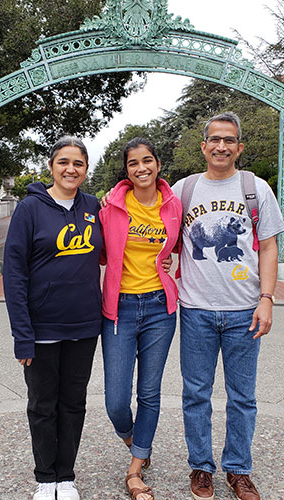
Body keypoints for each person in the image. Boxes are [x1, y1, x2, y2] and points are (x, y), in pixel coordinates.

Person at [171, 112, 284, 500]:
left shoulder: (256, 189)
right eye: (214, 139)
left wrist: (266, 299)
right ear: (203, 146)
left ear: (239, 147)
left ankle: (238, 469)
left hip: (244, 310)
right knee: (196, 394)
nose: (221, 146)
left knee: (242, 396)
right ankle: (201, 467)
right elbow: (154, 227)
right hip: (196, 309)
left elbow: (269, 247)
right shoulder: (184, 190)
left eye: (229, 140)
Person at [3, 136, 102, 500]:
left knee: (74, 403)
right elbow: (14, 274)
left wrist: (164, 255)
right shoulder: (30, 209)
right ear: (51, 167)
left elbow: (122, 244)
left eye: (78, 163)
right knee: (43, 405)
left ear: (86, 169)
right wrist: (21, 334)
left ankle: (66, 476)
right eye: (63, 162)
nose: (70, 169)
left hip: (85, 326)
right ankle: (46, 478)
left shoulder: (93, 207)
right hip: (42, 327)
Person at [99, 138, 182, 500]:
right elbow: (97, 252)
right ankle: (133, 438)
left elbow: (180, 245)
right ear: (127, 170)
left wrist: (171, 262)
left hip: (160, 309)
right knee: (116, 400)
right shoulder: (111, 206)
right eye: (133, 164)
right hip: (119, 307)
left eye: (147, 161)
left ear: (158, 164)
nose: (141, 168)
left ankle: (135, 469)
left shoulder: (175, 205)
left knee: (149, 392)